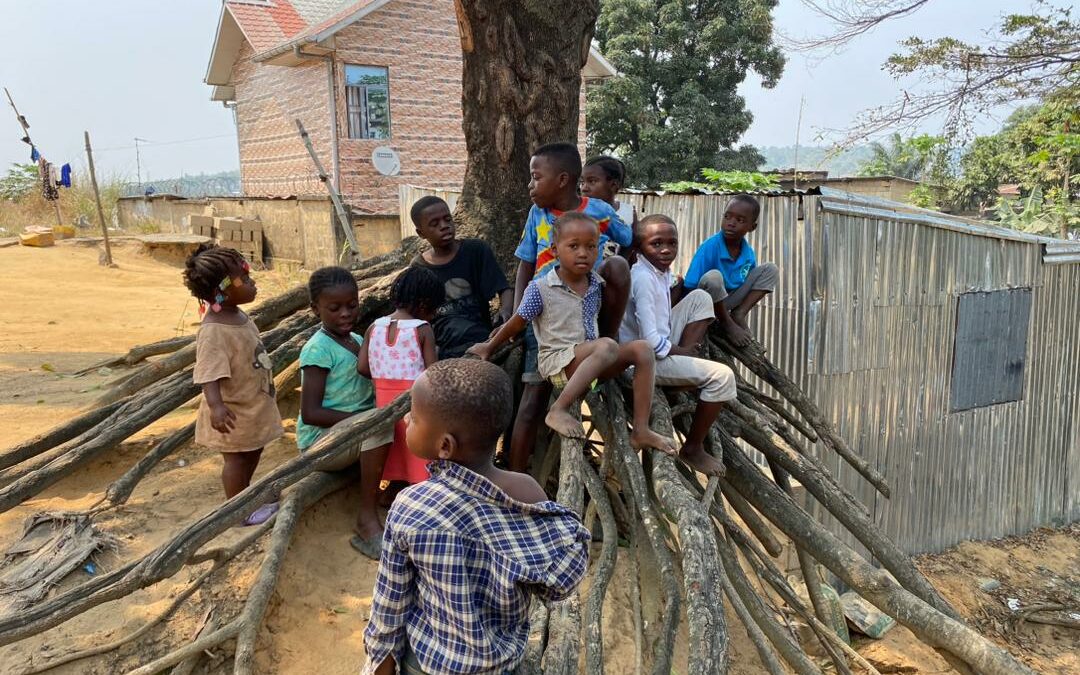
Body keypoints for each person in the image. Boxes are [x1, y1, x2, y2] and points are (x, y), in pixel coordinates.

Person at [362, 359, 590, 675]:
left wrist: (380, 667)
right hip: (501, 665)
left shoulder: (410, 506)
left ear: (444, 446)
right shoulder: (525, 494)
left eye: (413, 417)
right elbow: (563, 580)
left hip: (428, 665)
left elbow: (389, 604)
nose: (405, 418)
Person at [471, 212, 676, 454]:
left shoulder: (596, 284)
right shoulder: (540, 289)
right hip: (559, 365)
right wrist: (490, 346)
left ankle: (640, 430)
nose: (583, 253)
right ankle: (558, 409)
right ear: (555, 250)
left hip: (592, 364)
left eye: (591, 247)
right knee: (606, 345)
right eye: (574, 246)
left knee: (642, 348)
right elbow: (517, 323)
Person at [508, 141, 634, 473]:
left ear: (562, 180)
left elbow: (630, 242)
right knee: (532, 399)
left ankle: (608, 339)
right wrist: (516, 315)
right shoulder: (537, 214)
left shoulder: (601, 212)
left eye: (536, 177)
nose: (530, 185)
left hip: (587, 314)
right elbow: (525, 262)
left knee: (618, 267)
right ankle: (516, 480)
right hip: (547, 314)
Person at [621, 215, 736, 476]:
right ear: (639, 249)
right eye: (656, 244)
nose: (666, 250)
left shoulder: (658, 271)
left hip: (660, 343)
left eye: (672, 243)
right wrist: (682, 352)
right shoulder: (642, 279)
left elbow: (662, 313)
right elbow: (649, 340)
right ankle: (693, 448)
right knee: (723, 377)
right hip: (643, 362)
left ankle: (683, 370)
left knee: (700, 298)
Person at [184, 244, 282, 525]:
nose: (253, 284)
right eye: (246, 279)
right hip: (232, 413)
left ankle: (245, 495)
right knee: (236, 461)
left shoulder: (238, 315)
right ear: (222, 291)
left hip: (253, 405)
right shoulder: (214, 329)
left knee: (253, 451)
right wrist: (216, 406)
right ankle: (238, 511)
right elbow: (209, 373)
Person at [353, 266, 445, 559]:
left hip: (383, 406)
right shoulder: (422, 329)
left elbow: (363, 367)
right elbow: (431, 373)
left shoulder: (374, 327)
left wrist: (385, 378)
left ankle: (391, 493)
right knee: (419, 457)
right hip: (414, 406)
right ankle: (418, 513)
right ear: (424, 304)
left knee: (393, 454)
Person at [297, 267, 392, 540]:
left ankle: (392, 489)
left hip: (350, 434)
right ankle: (366, 519)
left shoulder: (358, 340)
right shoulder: (318, 349)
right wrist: (363, 421)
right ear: (316, 309)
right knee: (378, 426)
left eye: (352, 305)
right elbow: (311, 412)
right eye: (335, 308)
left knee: (392, 418)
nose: (346, 314)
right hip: (320, 443)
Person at [409, 195, 513, 359]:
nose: (444, 226)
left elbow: (503, 288)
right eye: (434, 224)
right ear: (421, 233)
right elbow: (416, 316)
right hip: (444, 348)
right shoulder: (419, 268)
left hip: (482, 340)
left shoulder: (476, 251)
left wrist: (506, 312)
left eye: (447, 219)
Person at [679, 194, 778, 346]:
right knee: (713, 277)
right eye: (727, 217)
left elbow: (745, 283)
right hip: (703, 302)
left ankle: (739, 315)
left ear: (752, 227)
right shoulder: (710, 246)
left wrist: (735, 306)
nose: (731, 223)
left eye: (739, 220)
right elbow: (689, 287)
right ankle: (727, 323)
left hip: (727, 301)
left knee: (770, 269)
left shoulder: (748, 253)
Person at [581, 155, 636, 232]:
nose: (584, 188)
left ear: (613, 185)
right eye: (582, 182)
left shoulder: (629, 212)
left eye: (592, 181)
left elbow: (635, 242)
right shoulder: (578, 213)